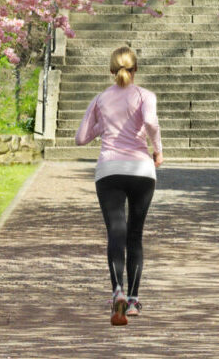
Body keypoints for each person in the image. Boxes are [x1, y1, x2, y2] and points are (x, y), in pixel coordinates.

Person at [75, 46, 163, 326]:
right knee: (134, 234)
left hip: (109, 171)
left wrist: (103, 126)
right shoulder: (145, 96)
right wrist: (157, 150)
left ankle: (118, 293)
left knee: (115, 231)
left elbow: (81, 138)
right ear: (135, 69)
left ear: (111, 70)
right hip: (141, 170)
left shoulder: (100, 99)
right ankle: (134, 301)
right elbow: (149, 122)